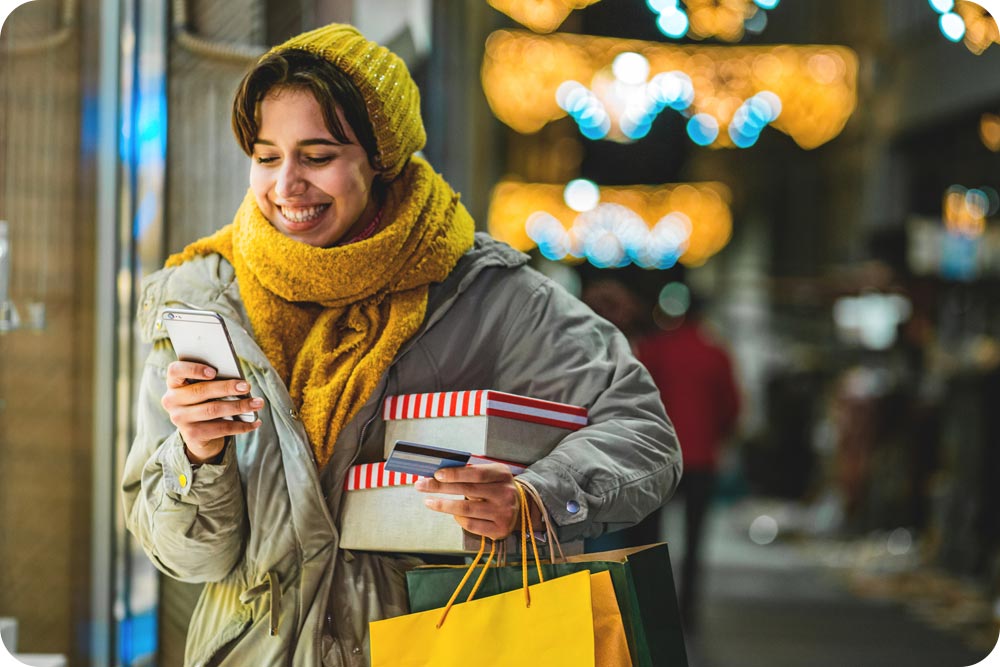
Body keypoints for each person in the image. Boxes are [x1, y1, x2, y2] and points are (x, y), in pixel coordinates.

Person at [120, 23, 681, 667]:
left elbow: (644, 433)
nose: (286, 185)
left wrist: (537, 496)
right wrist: (197, 453)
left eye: (319, 155)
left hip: (437, 647)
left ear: (380, 159)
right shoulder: (203, 298)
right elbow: (189, 557)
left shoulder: (486, 293)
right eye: (267, 156)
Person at [635, 290, 740, 634]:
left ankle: (651, 605)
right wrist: (716, 437)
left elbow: (634, 401)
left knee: (651, 539)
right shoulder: (716, 353)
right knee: (695, 538)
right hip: (701, 459)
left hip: (658, 459)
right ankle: (688, 611)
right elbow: (732, 406)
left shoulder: (655, 350)